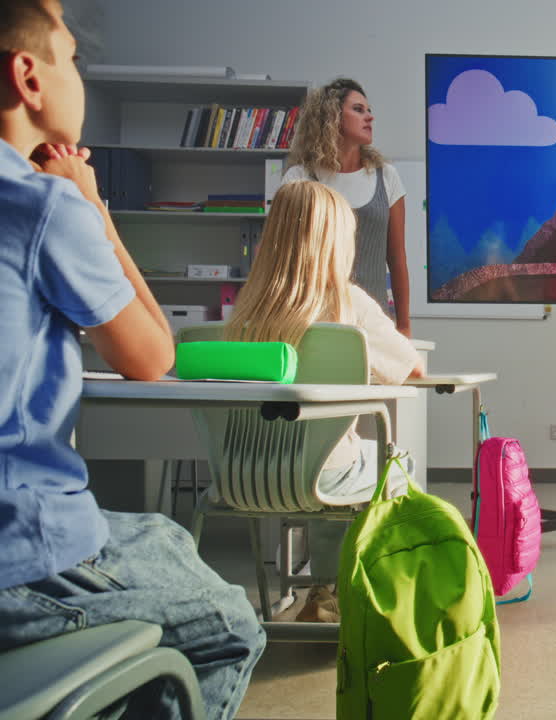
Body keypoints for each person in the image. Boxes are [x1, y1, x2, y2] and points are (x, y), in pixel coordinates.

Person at [0, 1, 265, 717]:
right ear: (28, 76)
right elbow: (153, 356)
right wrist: (94, 209)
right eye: (72, 59)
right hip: (19, 550)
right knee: (231, 626)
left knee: (163, 531)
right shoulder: (44, 207)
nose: (80, 77)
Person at [225, 180, 424, 622]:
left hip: (245, 475)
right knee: (388, 462)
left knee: (319, 457)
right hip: (321, 477)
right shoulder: (348, 305)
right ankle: (352, 591)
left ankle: (322, 588)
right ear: (337, 242)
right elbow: (413, 369)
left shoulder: (244, 313)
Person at [284, 78, 412, 337]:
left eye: (369, 110)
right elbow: (285, 256)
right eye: (358, 109)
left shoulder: (386, 176)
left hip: (375, 325)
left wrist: (404, 325)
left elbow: (397, 258)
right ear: (331, 117)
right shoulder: (299, 177)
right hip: (314, 322)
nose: (370, 117)